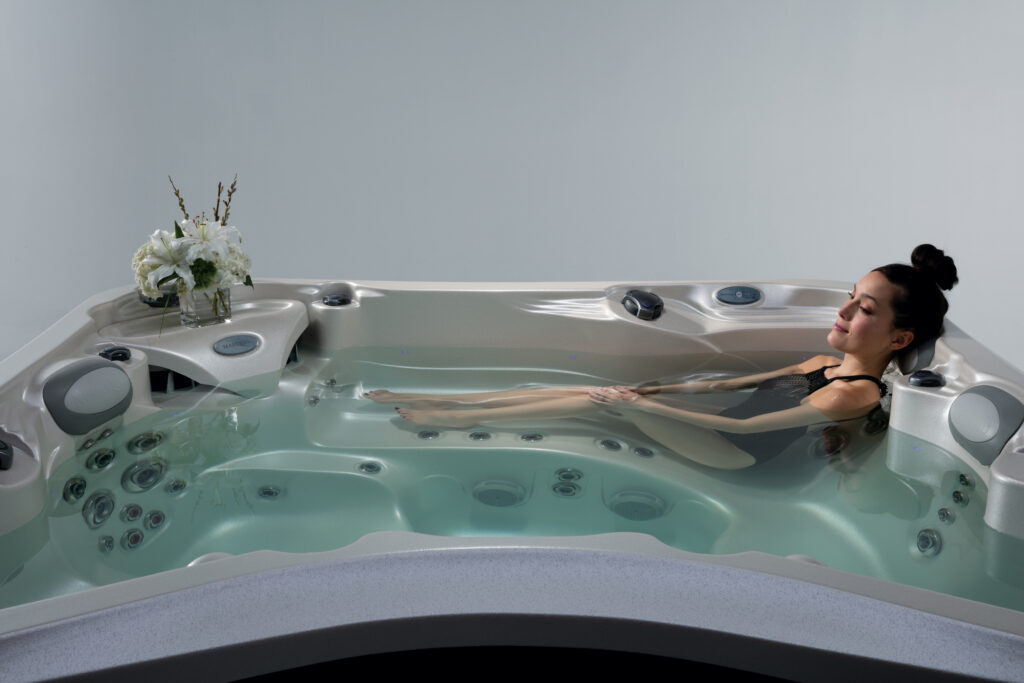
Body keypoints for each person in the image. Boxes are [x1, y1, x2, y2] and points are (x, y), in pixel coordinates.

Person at [366, 245, 958, 470]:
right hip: (720, 433)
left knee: (600, 402)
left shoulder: (854, 392)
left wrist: (643, 407)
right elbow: (733, 386)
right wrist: (664, 391)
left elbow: (745, 422)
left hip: (738, 461)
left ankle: (452, 414)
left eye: (866, 310)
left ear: (900, 340)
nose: (845, 313)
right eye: (850, 299)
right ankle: (454, 404)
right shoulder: (818, 365)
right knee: (606, 397)